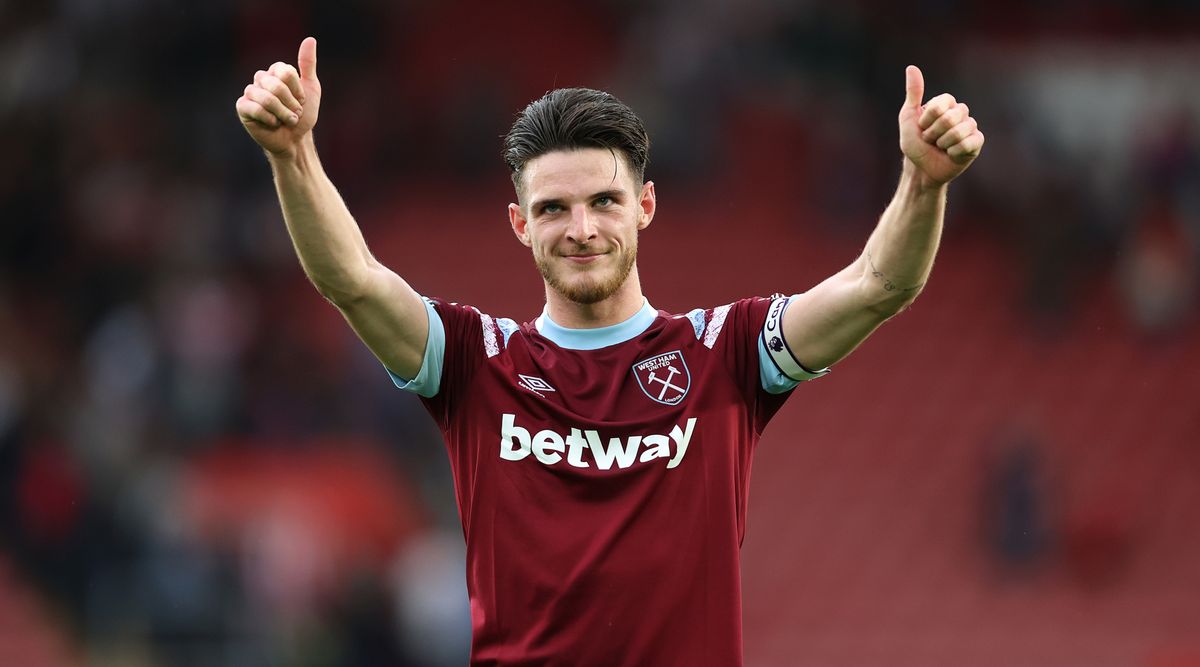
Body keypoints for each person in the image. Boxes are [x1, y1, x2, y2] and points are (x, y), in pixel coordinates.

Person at [235, 37, 983, 667]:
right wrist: (293, 154)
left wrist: (922, 182)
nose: (582, 228)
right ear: (520, 224)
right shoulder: (473, 360)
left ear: (645, 206)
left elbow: (879, 284)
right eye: (553, 208)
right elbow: (352, 279)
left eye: (604, 201)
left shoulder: (727, 350)